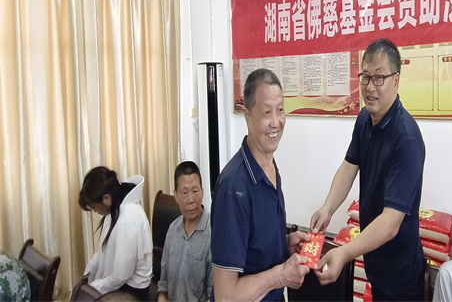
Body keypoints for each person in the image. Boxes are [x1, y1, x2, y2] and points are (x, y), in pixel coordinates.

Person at [310, 38, 426, 301]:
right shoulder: (365, 118)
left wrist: (344, 252)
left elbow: (390, 224)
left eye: (379, 78)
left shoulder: (406, 140)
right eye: (365, 77)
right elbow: (349, 166)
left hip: (400, 273)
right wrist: (328, 208)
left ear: (395, 81)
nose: (370, 87)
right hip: (374, 258)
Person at [211, 68, 310, 301]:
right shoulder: (234, 189)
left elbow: (254, 249)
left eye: (280, 110)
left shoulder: (269, 166)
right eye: (267, 112)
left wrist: (284, 244)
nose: (276, 122)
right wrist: (280, 276)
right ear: (247, 116)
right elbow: (225, 296)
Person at [79, 166, 152, 299]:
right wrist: (87, 276)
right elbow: (102, 252)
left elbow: (121, 275)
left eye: (94, 207)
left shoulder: (127, 220)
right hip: (120, 284)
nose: (94, 211)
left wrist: (93, 287)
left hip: (132, 292)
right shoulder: (114, 209)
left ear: (107, 198)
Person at [157, 161, 213, 302]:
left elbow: (214, 296)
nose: (190, 200)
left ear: (202, 192)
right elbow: (163, 289)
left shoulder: (213, 233)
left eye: (195, 191)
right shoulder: (172, 230)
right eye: (184, 193)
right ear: (176, 196)